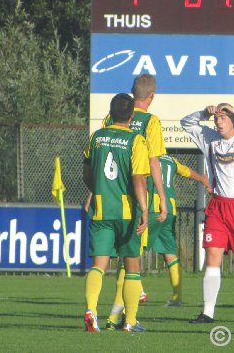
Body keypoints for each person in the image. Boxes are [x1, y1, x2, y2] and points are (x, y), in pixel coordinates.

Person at [181, 103, 234, 323]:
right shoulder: (210, 139)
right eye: (216, 119)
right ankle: (207, 312)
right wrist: (203, 113)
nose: (218, 122)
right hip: (218, 207)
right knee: (212, 256)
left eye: (223, 118)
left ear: (233, 120)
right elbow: (186, 122)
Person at [101, 74, 168, 330]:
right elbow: (153, 162)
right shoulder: (151, 122)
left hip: (110, 194)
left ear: (131, 91)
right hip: (137, 195)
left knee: (120, 260)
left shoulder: (111, 117)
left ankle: (115, 316)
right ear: (152, 95)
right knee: (132, 259)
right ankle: (126, 319)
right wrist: (162, 197)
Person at [82, 93, 151, 333]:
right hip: (127, 212)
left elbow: (87, 173)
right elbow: (138, 178)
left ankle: (92, 310)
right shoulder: (136, 140)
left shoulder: (97, 137)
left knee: (98, 265)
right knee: (132, 267)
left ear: (110, 114)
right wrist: (144, 209)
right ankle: (129, 322)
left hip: (101, 209)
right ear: (132, 115)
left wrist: (95, 189)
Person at [144, 154, 211, 306]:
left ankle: (136, 291)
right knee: (170, 254)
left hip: (155, 208)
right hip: (171, 210)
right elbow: (186, 171)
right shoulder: (170, 160)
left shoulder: (147, 157)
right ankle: (177, 298)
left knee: (132, 250)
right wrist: (202, 179)